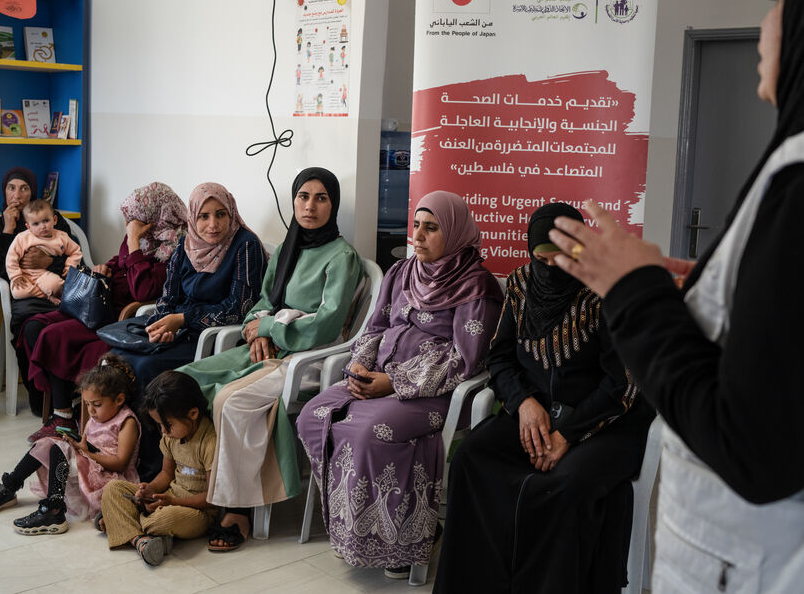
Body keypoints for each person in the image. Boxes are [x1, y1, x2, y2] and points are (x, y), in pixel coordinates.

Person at [546, 0, 804, 591]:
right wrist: (714, 294)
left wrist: (630, 290)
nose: (767, 25)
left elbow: (755, 446)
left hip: (764, 563)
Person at [433, 204, 655, 593]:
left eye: (564, 259)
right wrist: (523, 404)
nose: (552, 269)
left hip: (606, 424)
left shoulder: (606, 289)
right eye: (542, 260)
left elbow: (621, 383)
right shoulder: (521, 285)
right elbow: (499, 358)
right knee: (472, 457)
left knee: (563, 488)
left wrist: (566, 434)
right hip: (536, 414)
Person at [296, 191, 502, 579]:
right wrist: (360, 365)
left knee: (371, 433)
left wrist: (394, 382)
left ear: (455, 232)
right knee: (313, 416)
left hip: (429, 393)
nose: (419, 236)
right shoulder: (402, 272)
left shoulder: (477, 287)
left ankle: (404, 539)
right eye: (416, 226)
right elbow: (375, 327)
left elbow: (464, 357)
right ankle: (350, 528)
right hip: (376, 379)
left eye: (431, 228)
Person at [177, 167, 363, 552]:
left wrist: (269, 331)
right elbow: (262, 303)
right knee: (182, 382)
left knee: (232, 401)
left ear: (334, 204)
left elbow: (327, 325)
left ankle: (235, 509)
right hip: (267, 346)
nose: (309, 206)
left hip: (307, 358)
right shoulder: (286, 249)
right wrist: (253, 327)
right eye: (303, 197)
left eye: (321, 198)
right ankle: (186, 484)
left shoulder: (342, 256)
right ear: (293, 200)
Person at [115, 183, 266, 481]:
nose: (213, 224)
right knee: (118, 357)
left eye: (221, 214)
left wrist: (183, 320)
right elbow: (167, 298)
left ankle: (154, 469)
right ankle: (122, 457)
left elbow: (239, 307)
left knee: (146, 369)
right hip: (181, 332)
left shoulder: (245, 245)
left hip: (213, 339)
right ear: (192, 219)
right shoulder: (186, 245)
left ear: (231, 213)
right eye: (204, 216)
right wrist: (163, 325)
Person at [23, 182, 185, 442]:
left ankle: (63, 417)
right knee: (34, 326)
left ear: (157, 216)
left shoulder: (174, 248)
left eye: (137, 216)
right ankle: (66, 407)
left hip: (120, 315)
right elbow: (119, 263)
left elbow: (144, 291)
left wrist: (133, 240)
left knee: (52, 336)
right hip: (98, 301)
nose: (130, 222)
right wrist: (104, 267)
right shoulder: (139, 236)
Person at [0, 354, 141, 534]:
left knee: (58, 449)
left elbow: (121, 464)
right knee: (46, 443)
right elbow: (88, 443)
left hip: (109, 478)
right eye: (87, 404)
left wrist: (87, 452)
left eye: (97, 404)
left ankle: (54, 511)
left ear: (119, 400)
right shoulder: (98, 416)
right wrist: (76, 443)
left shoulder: (126, 422)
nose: (91, 410)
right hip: (90, 466)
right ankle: (10, 486)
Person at [100, 371, 218, 567]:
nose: (163, 431)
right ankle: (142, 538)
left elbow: (211, 497)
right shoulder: (170, 437)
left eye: (168, 425)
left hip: (200, 511)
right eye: (159, 425)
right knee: (113, 489)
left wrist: (173, 502)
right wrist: (151, 489)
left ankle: (121, 523)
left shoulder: (209, 443)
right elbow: (166, 474)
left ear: (193, 413)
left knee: (164, 519)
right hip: (170, 496)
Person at [0, 167, 74, 416]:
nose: (17, 195)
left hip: (57, 291)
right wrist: (8, 230)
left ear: (33, 192)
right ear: (4, 192)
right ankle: (41, 393)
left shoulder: (52, 219)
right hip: (27, 297)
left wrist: (43, 261)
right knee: (32, 329)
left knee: (70, 326)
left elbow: (70, 257)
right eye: (11, 188)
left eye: (24, 188)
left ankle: (65, 394)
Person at [5, 199, 82, 305]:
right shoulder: (22, 238)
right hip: (25, 275)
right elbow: (11, 257)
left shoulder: (62, 237)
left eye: (46, 221)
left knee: (56, 285)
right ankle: (47, 296)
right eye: (36, 224)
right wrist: (15, 276)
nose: (42, 226)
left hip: (45, 274)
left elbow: (76, 252)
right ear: (28, 226)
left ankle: (49, 293)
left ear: (54, 220)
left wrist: (69, 268)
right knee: (17, 293)